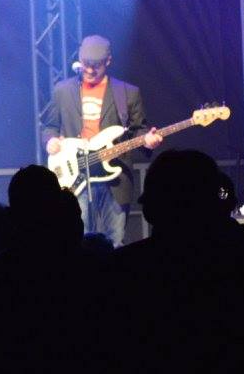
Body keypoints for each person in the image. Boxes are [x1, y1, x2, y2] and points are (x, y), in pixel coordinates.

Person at [40, 34, 160, 247]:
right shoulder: (63, 91)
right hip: (75, 176)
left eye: (96, 66)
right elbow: (49, 126)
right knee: (77, 238)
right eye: (86, 64)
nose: (89, 70)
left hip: (115, 177)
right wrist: (50, 141)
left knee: (115, 241)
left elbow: (139, 130)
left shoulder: (128, 93)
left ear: (108, 61)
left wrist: (147, 140)